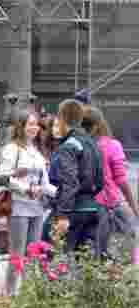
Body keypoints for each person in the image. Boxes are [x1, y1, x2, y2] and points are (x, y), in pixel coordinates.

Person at [0, 111, 50, 295]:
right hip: (18, 205)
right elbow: (4, 177)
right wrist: (26, 189)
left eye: (36, 124)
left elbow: (44, 180)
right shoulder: (11, 149)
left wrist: (53, 192)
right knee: (17, 253)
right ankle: (11, 293)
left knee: (34, 252)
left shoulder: (37, 150)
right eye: (30, 124)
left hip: (37, 206)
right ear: (21, 127)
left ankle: (30, 293)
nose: (34, 128)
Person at [49, 99, 106, 267]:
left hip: (73, 211)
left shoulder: (68, 146)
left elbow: (69, 182)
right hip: (92, 208)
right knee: (86, 264)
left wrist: (63, 214)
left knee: (56, 261)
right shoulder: (91, 142)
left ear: (62, 118)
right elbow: (100, 180)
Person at [84, 107, 139, 262]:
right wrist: (134, 207)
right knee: (121, 254)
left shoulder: (76, 145)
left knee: (88, 255)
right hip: (107, 206)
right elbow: (121, 180)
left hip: (82, 207)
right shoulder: (111, 145)